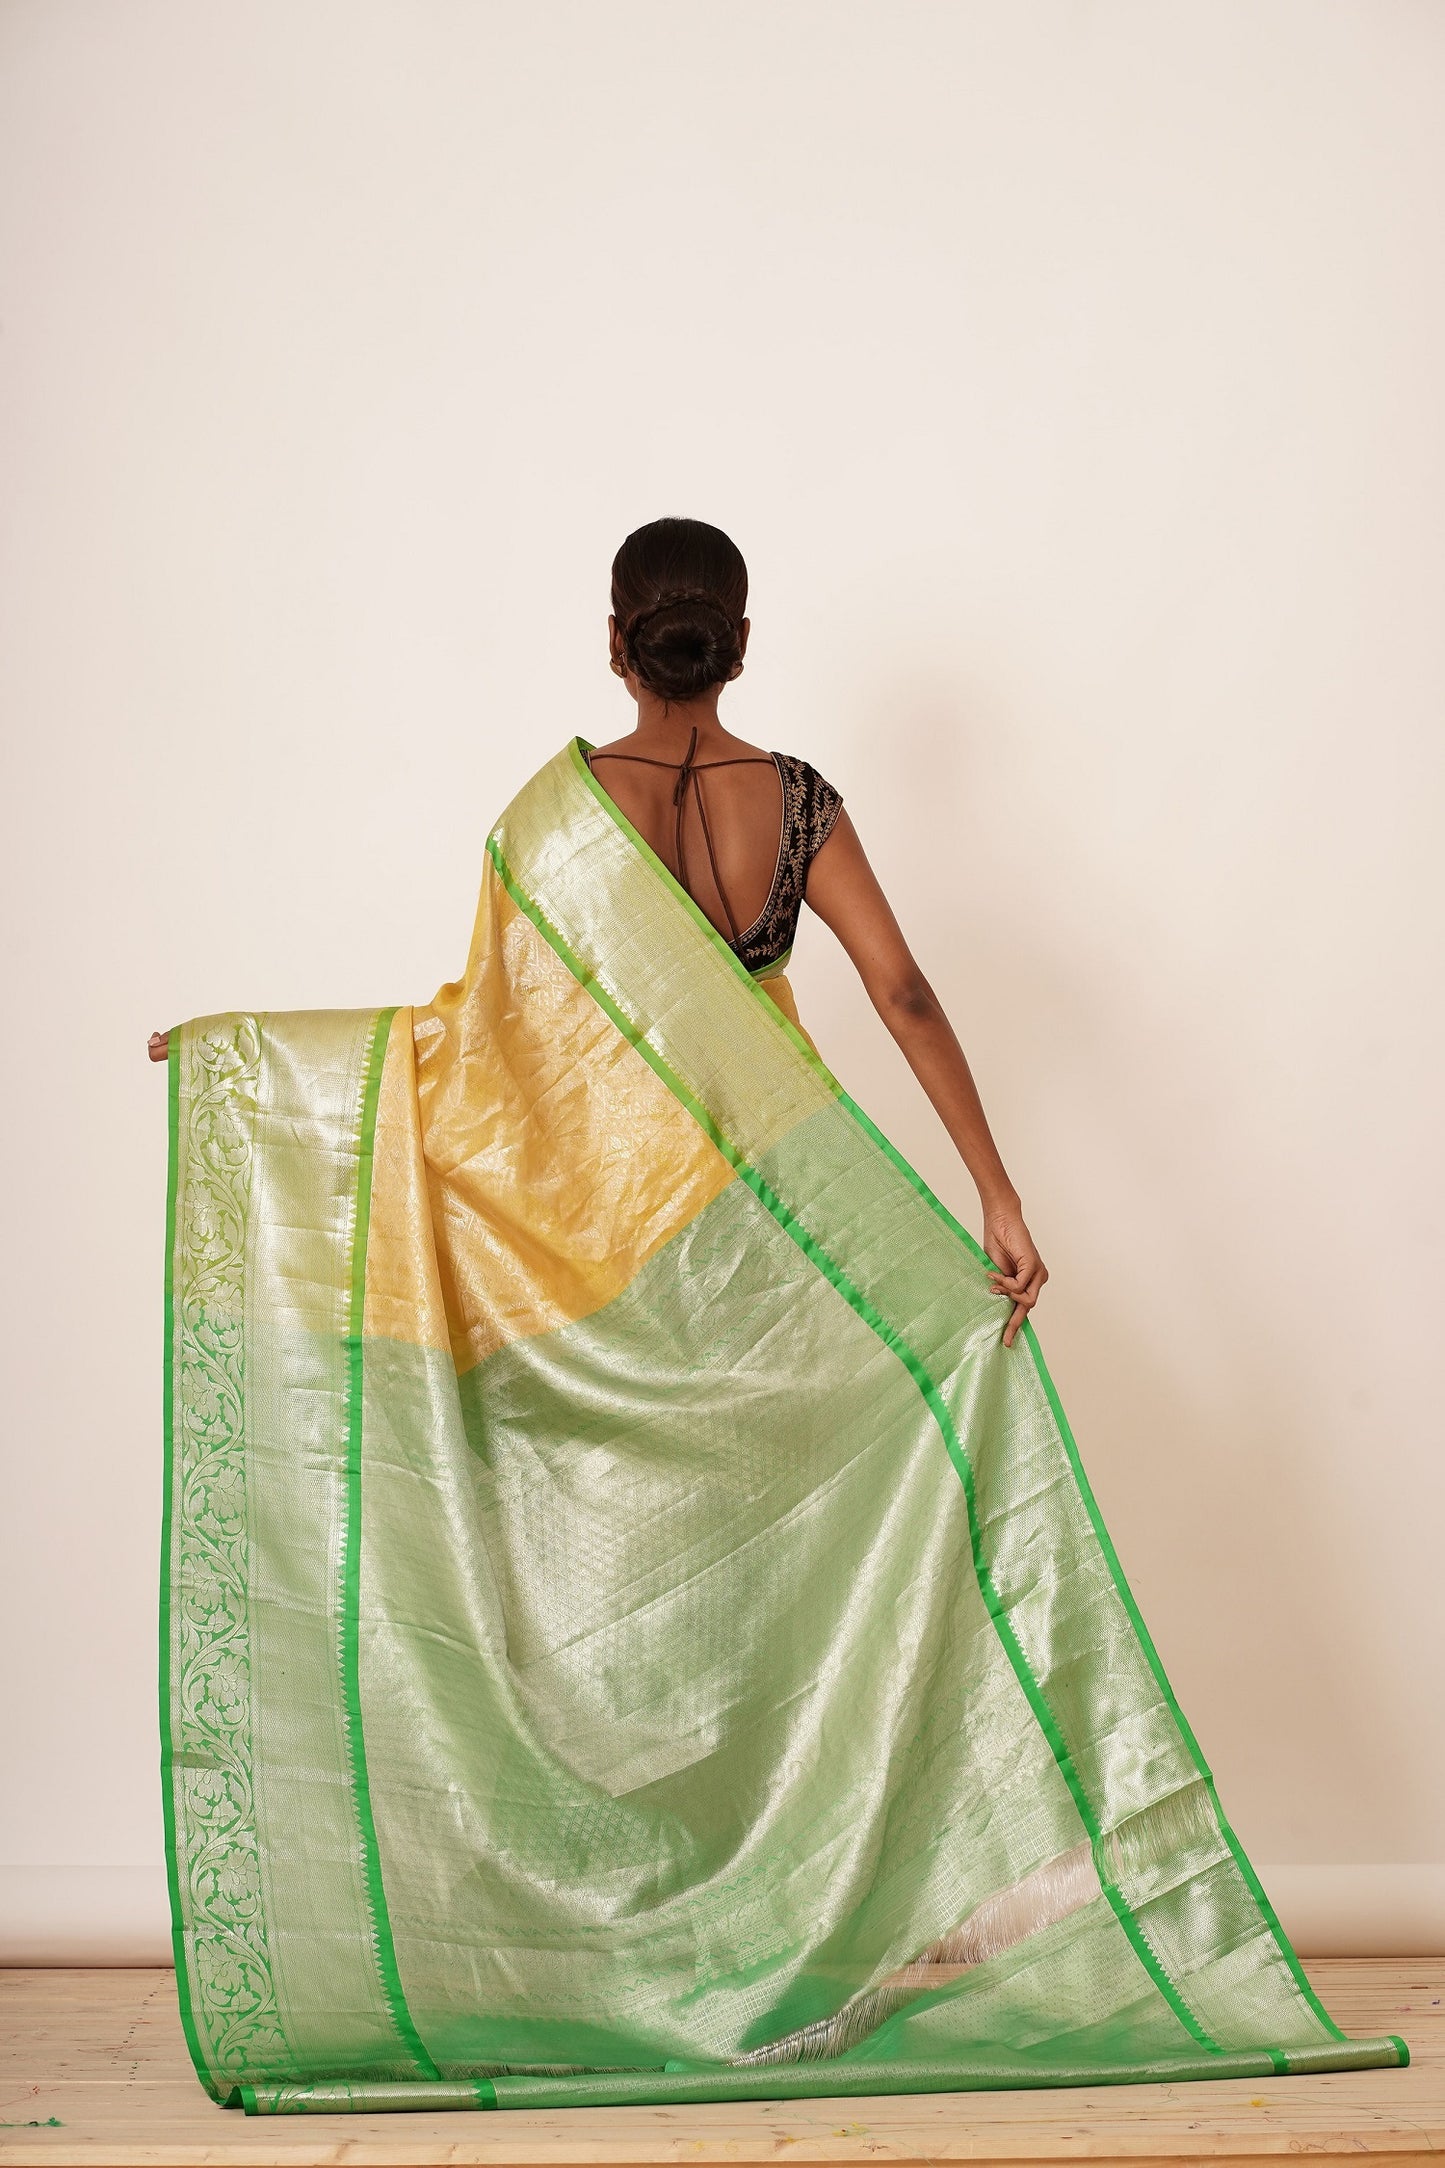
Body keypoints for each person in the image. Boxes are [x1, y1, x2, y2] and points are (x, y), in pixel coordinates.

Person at [151, 515, 1046, 1348]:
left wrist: (247, 1054)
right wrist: (996, 1195)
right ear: (737, 642)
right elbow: (904, 996)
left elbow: (477, 1038)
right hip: (776, 1210)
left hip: (611, 1234)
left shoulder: (555, 818)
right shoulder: (800, 802)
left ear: (617, 641)